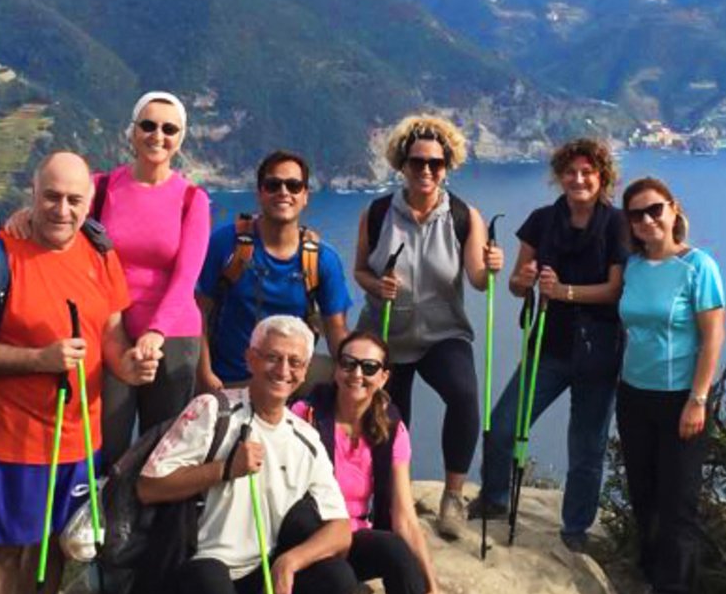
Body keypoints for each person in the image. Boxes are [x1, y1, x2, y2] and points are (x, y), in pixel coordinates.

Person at [0, 151, 158, 594]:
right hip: (14, 436)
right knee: (4, 549)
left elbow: (110, 333)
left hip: (79, 435)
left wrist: (129, 366)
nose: (62, 210)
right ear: (33, 191)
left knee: (54, 546)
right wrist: (38, 360)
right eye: (51, 196)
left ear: (89, 203)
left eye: (73, 200)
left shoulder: (100, 253)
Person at [138, 316, 357, 594]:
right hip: (198, 569)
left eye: (295, 362)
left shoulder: (305, 437)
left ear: (305, 370)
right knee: (207, 576)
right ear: (251, 358)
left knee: (338, 579)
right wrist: (224, 469)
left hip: (260, 573)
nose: (283, 370)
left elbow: (341, 529)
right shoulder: (213, 410)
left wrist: (290, 562)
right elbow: (149, 486)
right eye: (272, 357)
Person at [470, 139, 629, 552]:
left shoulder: (616, 224)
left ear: (602, 177)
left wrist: (564, 292)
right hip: (549, 346)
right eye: (570, 172)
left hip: (599, 351)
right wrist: (522, 281)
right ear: (559, 177)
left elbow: (615, 290)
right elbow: (516, 283)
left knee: (586, 447)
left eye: (587, 172)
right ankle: (495, 498)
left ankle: (575, 528)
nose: (579, 179)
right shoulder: (542, 221)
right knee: (502, 425)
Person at [354, 113, 503, 541]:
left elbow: (477, 279)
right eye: (417, 162)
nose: (426, 170)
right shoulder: (378, 213)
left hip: (443, 333)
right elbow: (360, 270)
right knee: (391, 417)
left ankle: (452, 497)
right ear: (402, 165)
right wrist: (377, 285)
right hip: (387, 335)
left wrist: (493, 267)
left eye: (435, 163)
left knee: (464, 395)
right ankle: (394, 495)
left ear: (446, 167)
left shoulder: (463, 216)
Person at [293, 332, 443, 594]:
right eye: (348, 363)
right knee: (336, 575)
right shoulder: (306, 415)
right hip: (311, 537)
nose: (357, 374)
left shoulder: (391, 429)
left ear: (384, 376)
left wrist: (431, 587)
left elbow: (404, 516)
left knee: (394, 548)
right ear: (336, 369)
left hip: (355, 537)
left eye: (369, 366)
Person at [613, 177, 726, 594]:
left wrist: (698, 398)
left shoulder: (698, 266)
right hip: (633, 395)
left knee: (678, 503)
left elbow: (713, 336)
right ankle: (649, 583)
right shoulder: (634, 267)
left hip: (681, 399)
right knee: (644, 496)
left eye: (654, 210)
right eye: (636, 215)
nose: (646, 221)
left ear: (673, 209)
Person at [91, 91, 213, 457]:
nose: (157, 136)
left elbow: (186, 276)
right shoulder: (101, 188)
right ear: (132, 131)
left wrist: (156, 332)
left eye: (169, 129)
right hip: (110, 329)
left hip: (172, 334)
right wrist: (25, 217)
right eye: (148, 125)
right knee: (106, 442)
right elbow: (56, 207)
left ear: (180, 138)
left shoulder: (192, 199)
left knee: (161, 450)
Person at [197, 149, 352, 391]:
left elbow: (336, 331)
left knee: (332, 374)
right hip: (229, 379)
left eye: (294, 186)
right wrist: (205, 374)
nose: (283, 192)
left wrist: (359, 377)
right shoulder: (225, 244)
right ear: (260, 193)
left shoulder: (322, 259)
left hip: (290, 380)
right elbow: (198, 313)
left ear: (305, 196)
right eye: (273, 185)